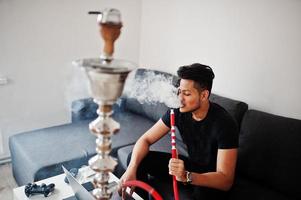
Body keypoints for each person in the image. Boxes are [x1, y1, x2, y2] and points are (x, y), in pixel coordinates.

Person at [118, 63, 239, 200]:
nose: (180, 98)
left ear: (204, 95)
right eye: (179, 91)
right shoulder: (177, 111)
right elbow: (145, 140)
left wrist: (187, 176)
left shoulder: (224, 123)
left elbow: (225, 181)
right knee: (136, 160)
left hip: (211, 178)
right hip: (189, 166)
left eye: (186, 94)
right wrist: (131, 169)